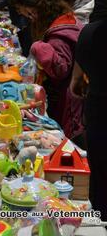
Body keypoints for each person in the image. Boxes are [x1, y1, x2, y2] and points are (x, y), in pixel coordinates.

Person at [10, 0, 84, 139]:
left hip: (69, 103)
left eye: (31, 14)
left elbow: (60, 69)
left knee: (70, 144)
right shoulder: (67, 19)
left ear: (42, 10)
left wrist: (39, 47)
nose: (31, 19)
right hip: (75, 98)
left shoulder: (58, 34)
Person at [70, 19, 107, 221]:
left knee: (100, 174)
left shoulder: (90, 32)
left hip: (99, 110)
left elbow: (76, 83)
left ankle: (101, 219)